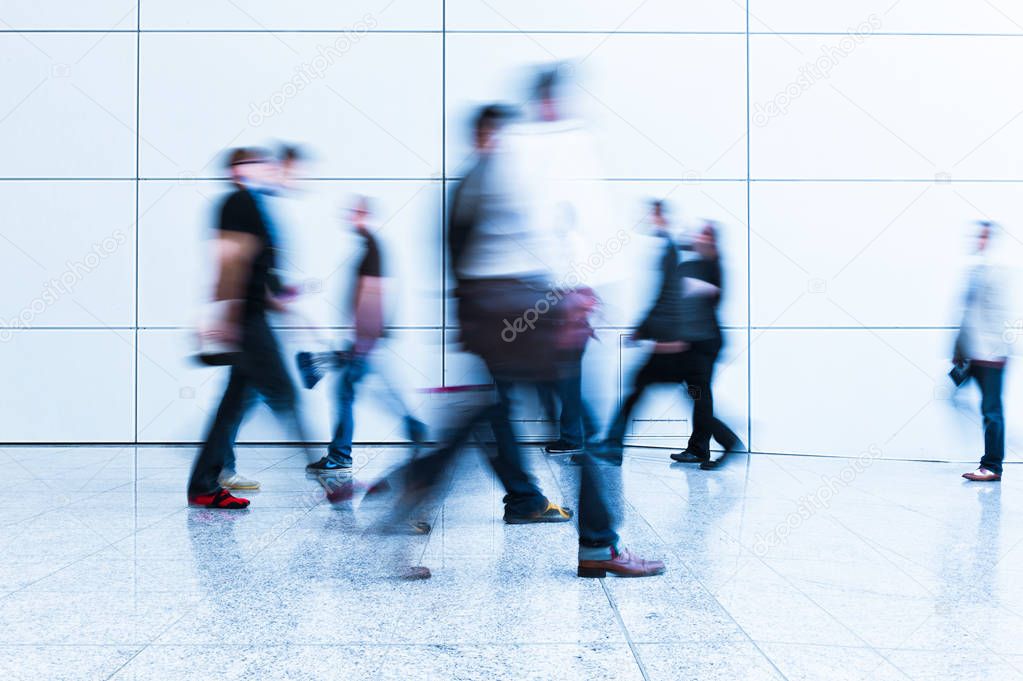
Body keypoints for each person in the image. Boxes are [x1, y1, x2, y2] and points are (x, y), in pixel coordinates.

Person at [378, 102, 664, 579]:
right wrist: (564, 303)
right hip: (524, 326)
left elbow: (469, 264)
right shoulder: (496, 182)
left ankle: (408, 507)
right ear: (490, 137)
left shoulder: (477, 183)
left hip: (505, 327)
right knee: (582, 433)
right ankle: (597, 545)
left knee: (480, 426)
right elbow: (520, 257)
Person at [187, 147, 311, 509]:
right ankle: (327, 482)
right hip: (247, 319)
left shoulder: (253, 204)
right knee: (284, 395)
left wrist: (280, 300)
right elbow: (230, 262)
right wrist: (226, 316)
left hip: (251, 313)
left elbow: (254, 267)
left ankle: (204, 485)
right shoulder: (237, 203)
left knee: (235, 403)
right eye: (251, 164)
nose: (262, 169)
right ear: (237, 171)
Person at [598, 206, 742, 469]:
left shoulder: (709, 267)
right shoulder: (693, 265)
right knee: (695, 396)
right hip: (692, 344)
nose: (699, 239)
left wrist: (665, 231)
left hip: (699, 345)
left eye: (706, 236)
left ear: (713, 242)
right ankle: (705, 447)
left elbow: (680, 299)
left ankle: (724, 442)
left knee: (685, 394)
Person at [303, 197, 427, 474]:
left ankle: (340, 455)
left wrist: (361, 341)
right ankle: (414, 427)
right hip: (367, 337)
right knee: (374, 388)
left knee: (344, 392)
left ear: (367, 216)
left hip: (365, 338)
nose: (351, 219)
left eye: (357, 214)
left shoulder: (371, 248)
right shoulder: (369, 248)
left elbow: (373, 295)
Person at [959, 221, 1011, 482]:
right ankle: (991, 459)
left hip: (990, 355)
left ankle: (992, 466)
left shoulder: (996, 271)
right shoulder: (975, 271)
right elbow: (969, 316)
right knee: (957, 398)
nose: (977, 240)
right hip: (972, 353)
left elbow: (1001, 314)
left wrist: (997, 352)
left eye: (982, 236)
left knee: (991, 410)